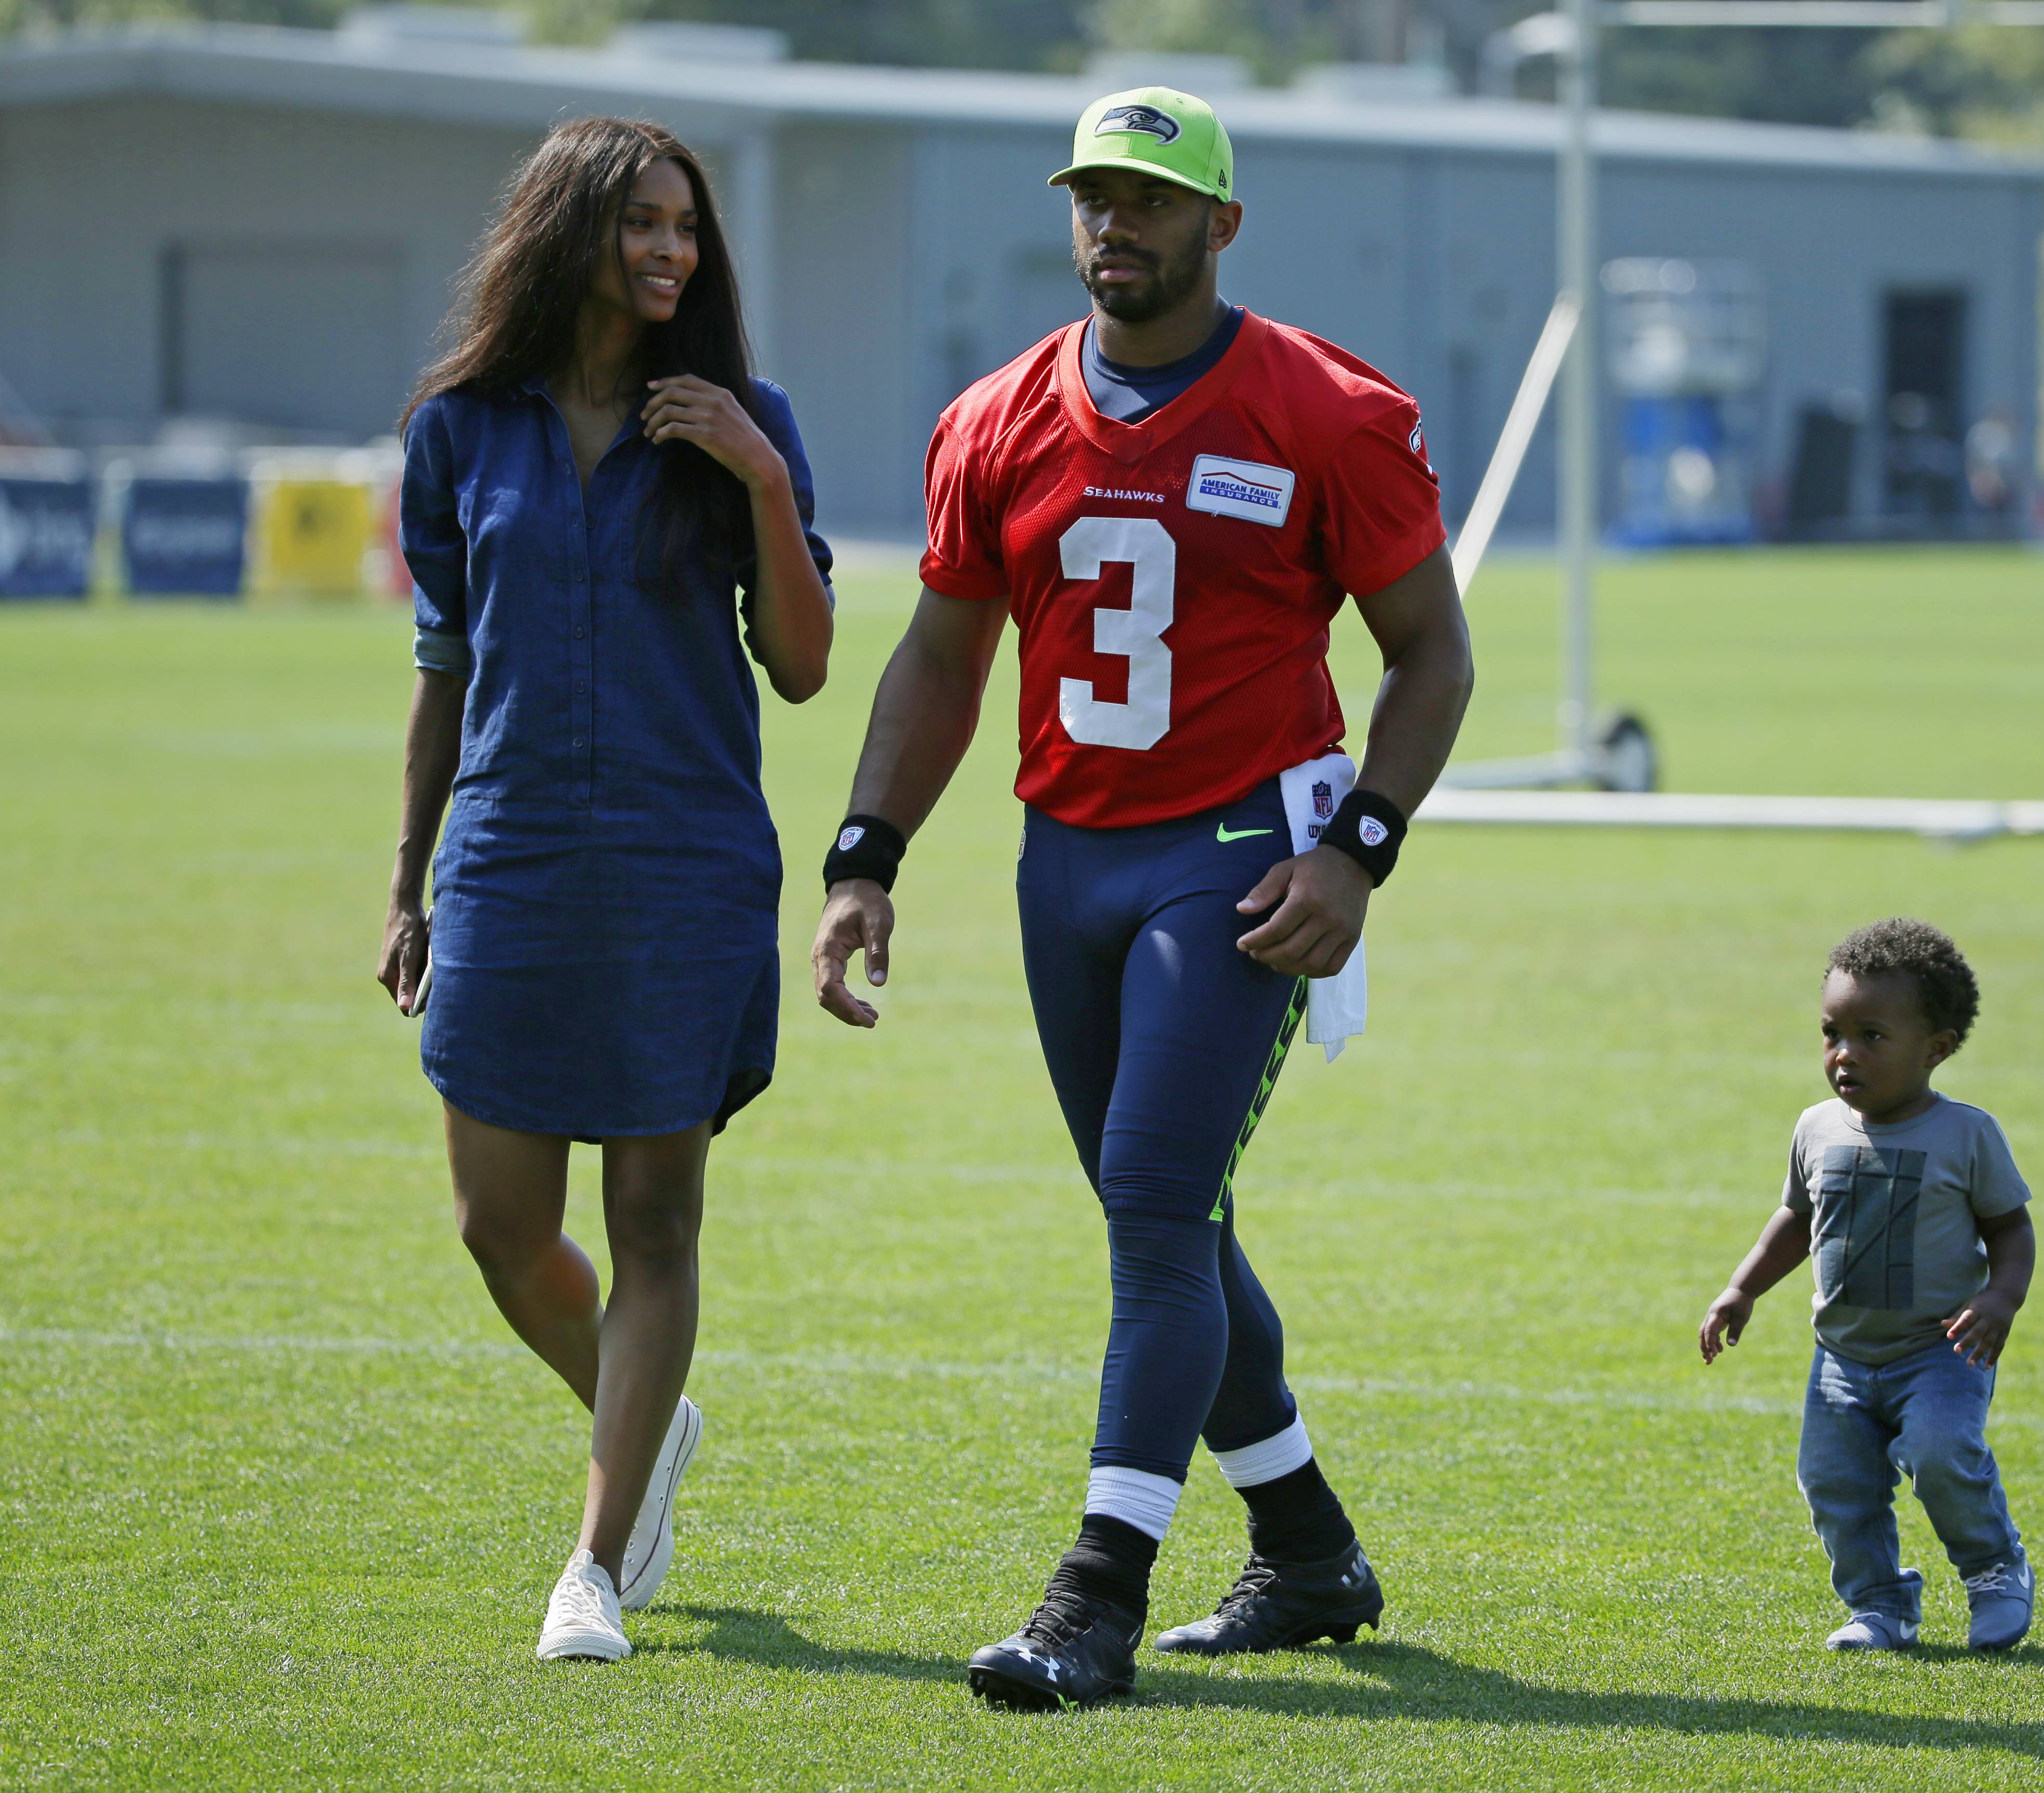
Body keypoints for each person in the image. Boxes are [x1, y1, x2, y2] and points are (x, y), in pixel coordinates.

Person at [808, 87, 1474, 1710]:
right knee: (1160, 1210)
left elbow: (1431, 656)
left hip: (1241, 860)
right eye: (1097, 195)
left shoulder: (1322, 408)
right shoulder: (997, 417)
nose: (1117, 223)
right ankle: (1311, 1554)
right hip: (1070, 859)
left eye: (1153, 199)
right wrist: (863, 857)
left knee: (1159, 1214)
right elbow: (945, 658)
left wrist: (1359, 851)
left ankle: (1092, 1603)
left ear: (1221, 225)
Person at [375, 118, 835, 1663]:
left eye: (686, 229)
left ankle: (593, 1560)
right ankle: (646, 1422)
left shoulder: (739, 420)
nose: (673, 252)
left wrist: (761, 477)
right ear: (567, 227)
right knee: (499, 1225)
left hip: (687, 861)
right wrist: (407, 880)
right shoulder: (456, 431)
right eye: (643, 222)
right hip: (506, 858)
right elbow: (443, 671)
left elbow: (805, 664)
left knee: (654, 1213)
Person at [1700, 919, 2038, 1653]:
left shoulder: (1967, 1135)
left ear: (1937, 1048)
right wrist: (1742, 1288)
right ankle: (1881, 1605)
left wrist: (2000, 1298)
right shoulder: (1817, 1127)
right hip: (1842, 1360)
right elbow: (1796, 1218)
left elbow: (2011, 1230)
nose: (1844, 1054)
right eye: (1832, 1033)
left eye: (1872, 1036)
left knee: (1943, 1453)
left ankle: (1994, 1571)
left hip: (1939, 1351)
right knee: (1834, 1486)